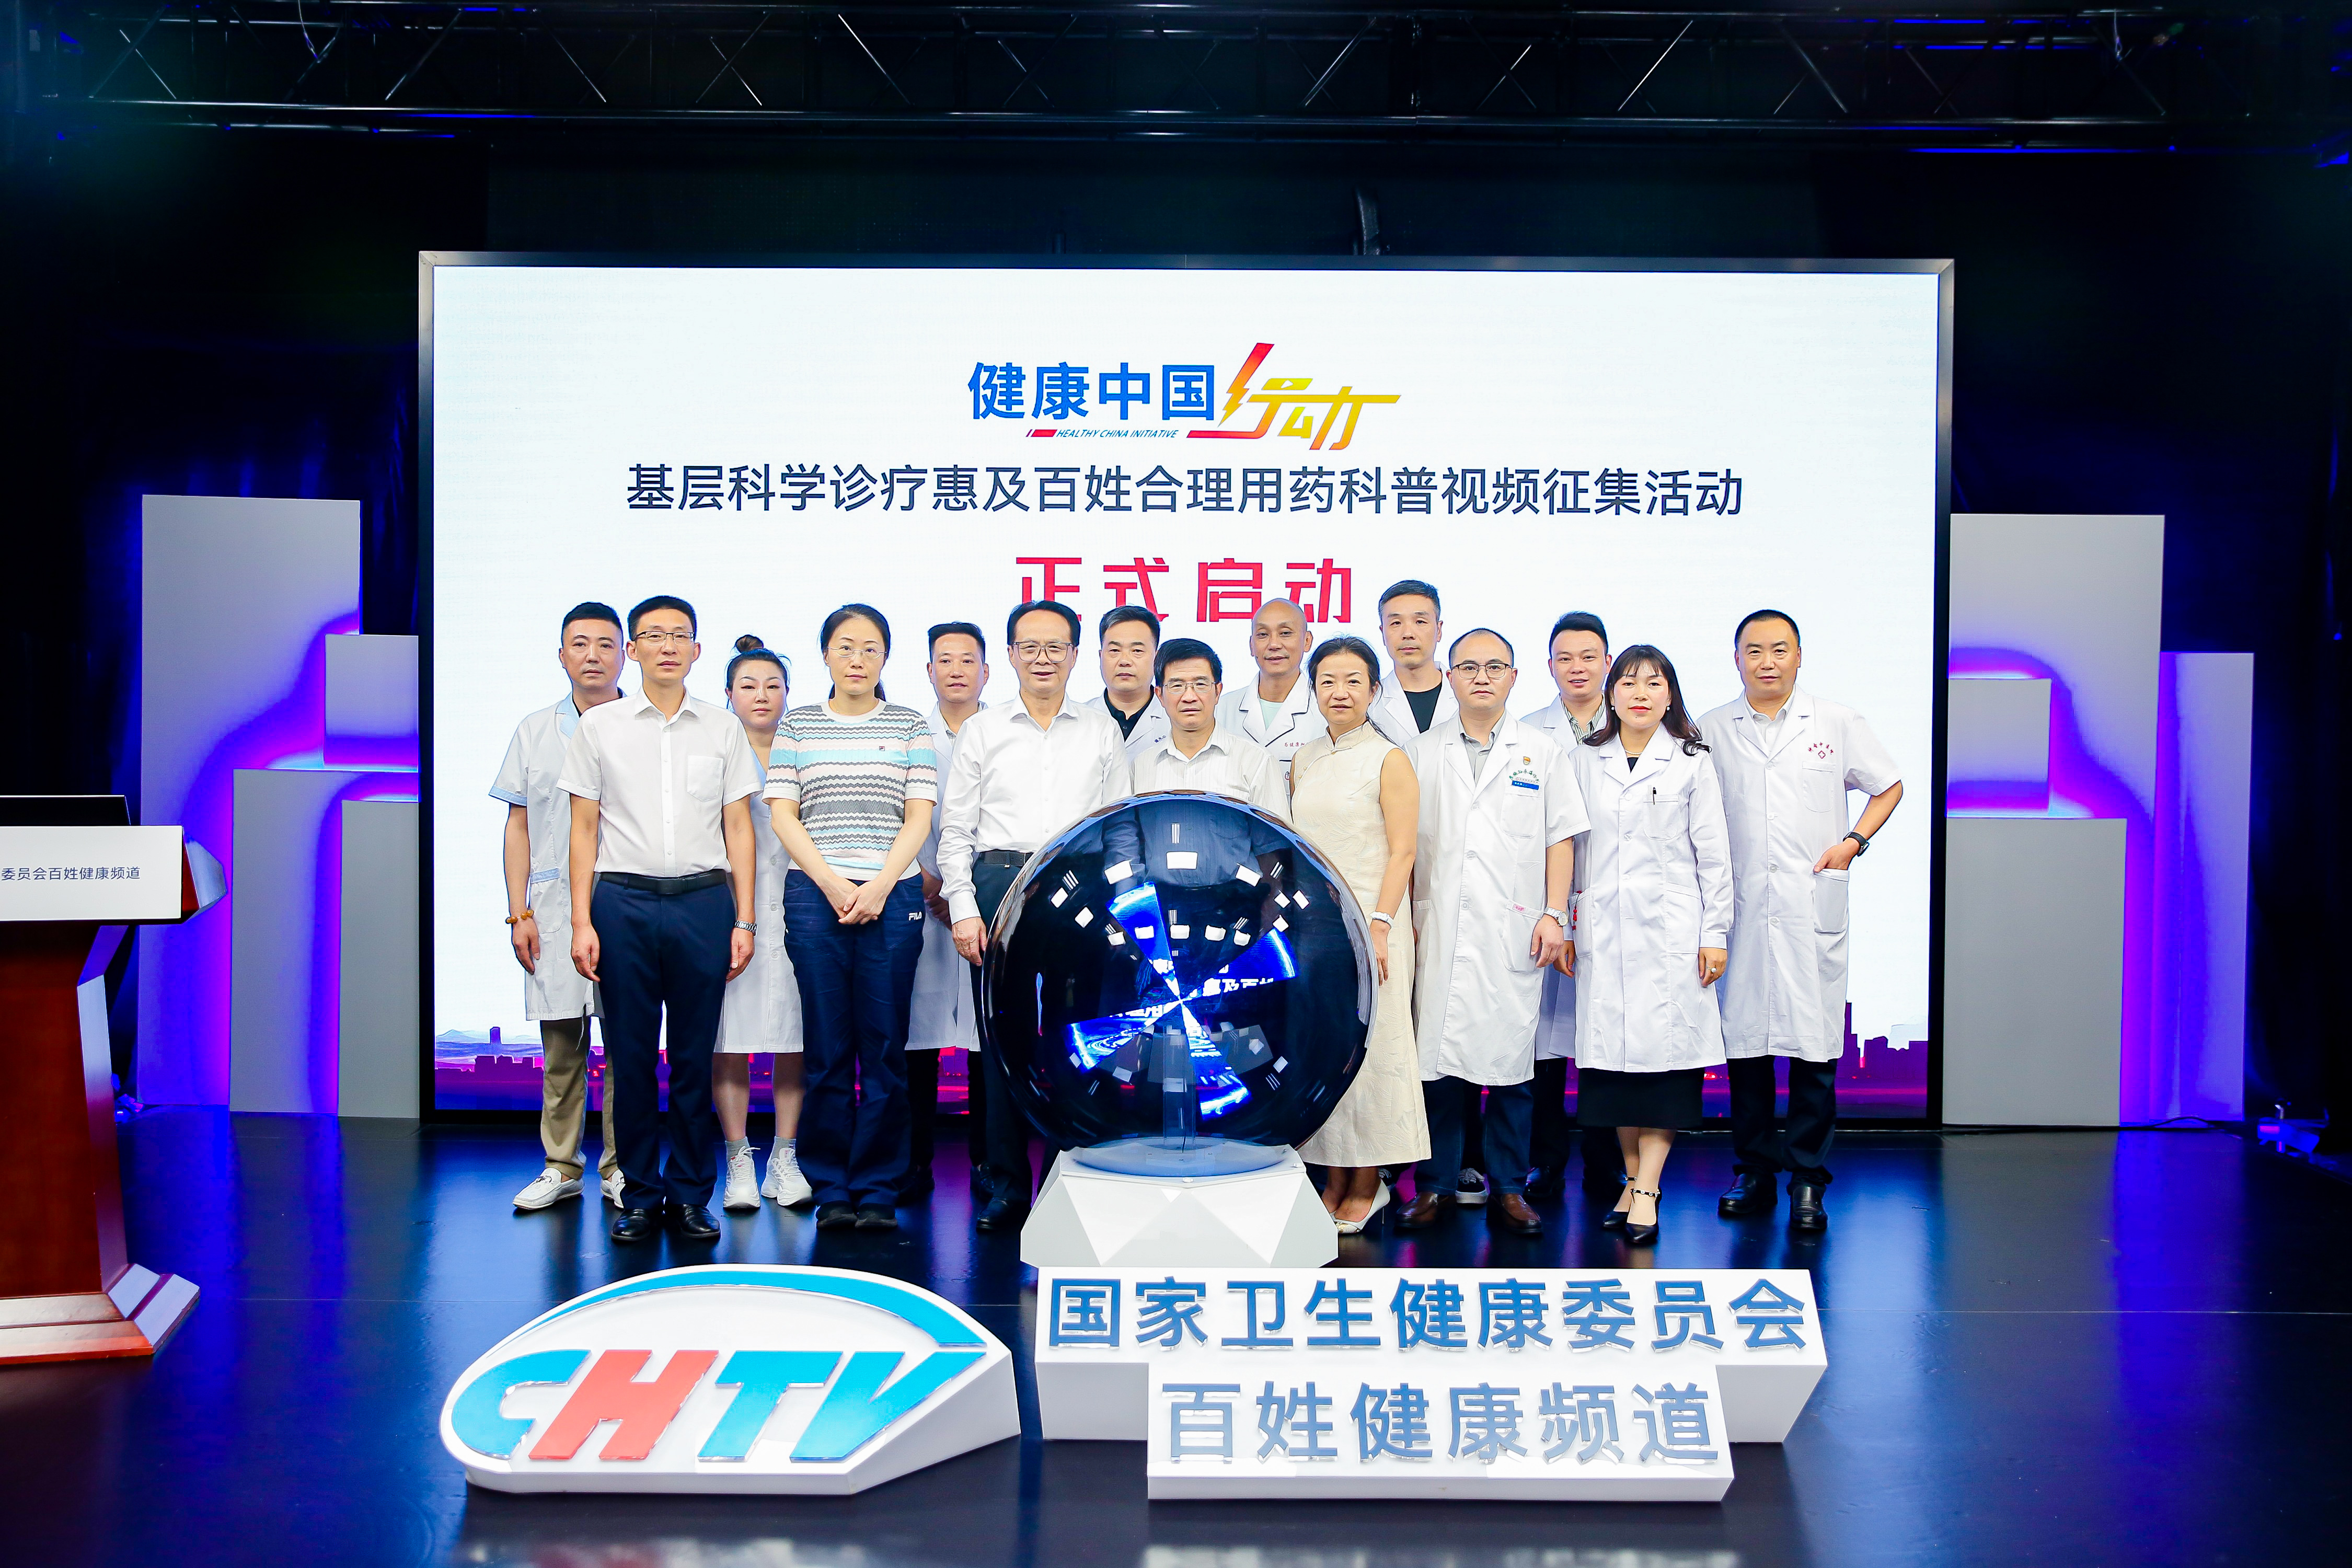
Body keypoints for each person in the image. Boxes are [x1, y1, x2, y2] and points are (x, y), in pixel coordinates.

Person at [562, 595, 761, 1243]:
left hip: (704, 902)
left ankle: (692, 1195)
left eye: (680, 635)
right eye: (654, 635)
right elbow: (583, 829)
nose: (668, 646)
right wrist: (581, 921)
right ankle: (641, 1195)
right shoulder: (601, 727)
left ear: (697, 650)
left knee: (696, 1059)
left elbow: (739, 827)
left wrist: (745, 919)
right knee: (631, 1059)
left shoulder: (722, 728)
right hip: (622, 902)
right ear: (634, 648)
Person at [1700, 609, 1904, 1234]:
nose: (1767, 661)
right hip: (1742, 908)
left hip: (1809, 905)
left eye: (1779, 649)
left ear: (1798, 656)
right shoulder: (1713, 728)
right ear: (1737, 659)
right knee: (1747, 1050)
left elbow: (1889, 785)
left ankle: (1809, 1179)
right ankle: (1755, 1171)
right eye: (1754, 650)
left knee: (1814, 1051)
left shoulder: (1836, 722)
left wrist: (1853, 843)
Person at [940, 599, 1133, 1231]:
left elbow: (1120, 830)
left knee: (1077, 1040)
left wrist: (1119, 908)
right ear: (1011, 655)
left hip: (1081, 886)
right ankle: (1005, 1183)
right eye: (1030, 647)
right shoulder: (983, 730)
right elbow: (956, 830)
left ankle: (1064, 1178)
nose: (1043, 658)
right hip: (1000, 883)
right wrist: (963, 907)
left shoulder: (1100, 731)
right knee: (1004, 1040)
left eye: (1056, 647)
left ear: (1075, 655)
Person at [1397, 629, 1586, 1238]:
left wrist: (1554, 913)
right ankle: (1434, 1186)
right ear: (1450, 676)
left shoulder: (1542, 752)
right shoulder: (1420, 752)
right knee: (1438, 1067)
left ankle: (1509, 1187)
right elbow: (1402, 845)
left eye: (1495, 667)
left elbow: (1561, 837)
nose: (1482, 677)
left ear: (1514, 677)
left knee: (1511, 1068)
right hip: (1440, 926)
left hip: (1515, 926)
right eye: (1469, 667)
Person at [764, 604, 937, 1231]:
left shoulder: (910, 724)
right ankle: (832, 1186)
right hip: (817, 896)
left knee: (886, 1048)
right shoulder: (798, 725)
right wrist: (834, 883)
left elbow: (918, 817)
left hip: (893, 896)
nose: (857, 659)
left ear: (885, 657)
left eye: (869, 648)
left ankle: (879, 1186)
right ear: (826, 656)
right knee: (828, 1048)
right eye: (845, 647)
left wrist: (881, 885)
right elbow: (784, 814)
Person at [1566, 645, 1733, 1247]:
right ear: (1611, 695)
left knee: (1665, 1071)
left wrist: (1715, 934)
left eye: (1654, 683)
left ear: (1670, 696)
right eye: (1629, 683)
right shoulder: (1585, 760)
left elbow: (1714, 854)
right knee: (1615, 1073)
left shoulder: (1691, 761)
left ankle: (1648, 1189)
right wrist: (1567, 923)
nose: (1641, 694)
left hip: (1673, 935)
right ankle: (1633, 1181)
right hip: (1604, 933)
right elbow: (1572, 849)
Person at [1290, 637, 1427, 1232]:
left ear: (1374, 690)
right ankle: (1334, 1177)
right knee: (1325, 1048)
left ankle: (1369, 1182)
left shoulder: (1389, 759)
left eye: (1353, 681)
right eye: (1327, 681)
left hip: (1376, 927)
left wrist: (1380, 924)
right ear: (1313, 691)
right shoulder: (1303, 759)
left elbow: (1403, 852)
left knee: (1374, 1052)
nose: (1340, 692)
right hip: (1317, 930)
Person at [494, 601, 627, 1213]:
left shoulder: (643, 726)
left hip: (626, 900)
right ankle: (561, 1165)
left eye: (605, 644)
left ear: (625, 653)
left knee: (628, 1045)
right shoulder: (534, 730)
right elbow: (518, 825)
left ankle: (621, 1167)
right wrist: (519, 911)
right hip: (551, 907)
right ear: (561, 655)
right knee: (562, 1047)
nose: (593, 656)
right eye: (580, 644)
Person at [1521, 610, 1622, 1202]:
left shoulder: (1634, 724)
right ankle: (1546, 1160)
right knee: (1543, 1045)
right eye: (1566, 658)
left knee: (1605, 1040)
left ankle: (1608, 1163)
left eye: (1589, 657)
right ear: (1550, 666)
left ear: (1608, 662)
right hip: (1545, 902)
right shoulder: (1528, 734)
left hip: (1614, 900)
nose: (1577, 668)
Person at [711, 636, 810, 1213]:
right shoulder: (715, 751)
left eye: (773, 685)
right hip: (731, 912)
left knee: (795, 1040)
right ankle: (738, 1161)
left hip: (800, 908)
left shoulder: (807, 749)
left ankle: (785, 1157)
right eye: (748, 686)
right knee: (731, 1040)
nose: (762, 695)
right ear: (728, 694)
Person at [907, 621, 989, 1201]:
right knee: (919, 1041)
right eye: (945, 660)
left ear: (987, 670)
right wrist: (932, 887)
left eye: (968, 660)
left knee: (988, 1037)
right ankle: (914, 1162)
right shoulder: (910, 735)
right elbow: (894, 818)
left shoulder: (1000, 731)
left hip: (989, 901)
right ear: (929, 670)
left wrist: (965, 895)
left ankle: (987, 1161)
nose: (956, 670)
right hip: (921, 900)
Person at [1127, 637, 1289, 817]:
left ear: (1218, 692)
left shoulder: (1256, 762)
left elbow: (1277, 835)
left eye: (1200, 685)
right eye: (1177, 686)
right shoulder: (1141, 766)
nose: (1189, 697)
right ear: (1160, 696)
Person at [1213, 598, 1325, 787]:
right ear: (1252, 645)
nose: (1274, 644)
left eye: (1285, 633)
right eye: (1263, 635)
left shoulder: (1326, 708)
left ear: (1307, 641)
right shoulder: (1222, 708)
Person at [1367, 579, 1457, 745]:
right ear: (1383, 633)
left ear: (1439, 630)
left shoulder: (1465, 695)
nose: (1408, 634)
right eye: (1396, 623)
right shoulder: (1368, 703)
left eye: (1420, 622)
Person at [1097, 604, 1172, 757]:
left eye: (1137, 651)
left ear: (1157, 658)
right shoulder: (1078, 721)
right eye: (1115, 650)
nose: (1125, 661)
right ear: (1101, 656)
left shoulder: (1176, 720)